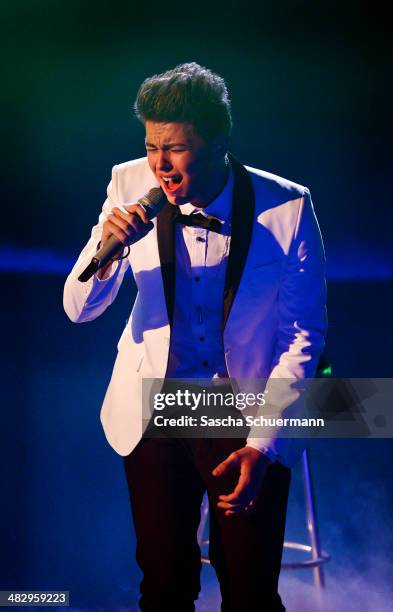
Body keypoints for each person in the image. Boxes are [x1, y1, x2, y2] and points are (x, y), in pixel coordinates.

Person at [63, 62, 327, 611]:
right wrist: (105, 254)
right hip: (155, 405)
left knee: (251, 590)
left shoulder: (289, 208)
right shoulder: (128, 183)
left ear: (219, 144)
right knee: (163, 584)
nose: (160, 163)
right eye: (152, 145)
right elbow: (77, 309)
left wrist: (263, 446)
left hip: (241, 408)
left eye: (176, 148)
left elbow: (301, 337)